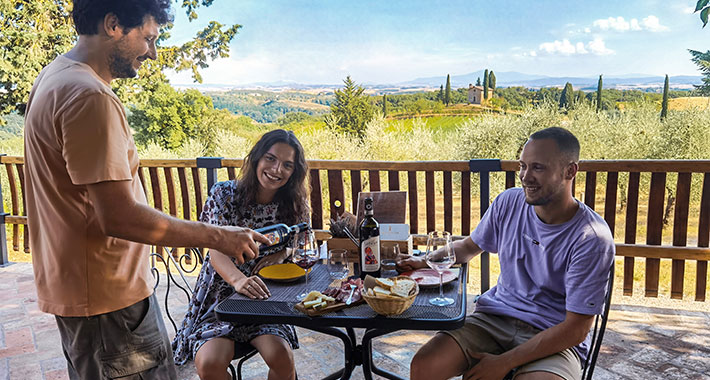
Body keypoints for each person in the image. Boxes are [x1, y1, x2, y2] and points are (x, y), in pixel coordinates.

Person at [23, 1, 269, 379]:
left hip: (78, 293)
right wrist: (218, 236)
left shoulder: (54, 76)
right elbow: (118, 215)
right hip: (110, 302)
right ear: (113, 25)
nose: (152, 53)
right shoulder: (91, 96)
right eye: (149, 38)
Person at [402, 127, 615, 380]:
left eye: (538, 168)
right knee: (424, 365)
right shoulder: (509, 202)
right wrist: (424, 260)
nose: (525, 176)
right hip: (494, 319)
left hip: (554, 337)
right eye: (522, 166)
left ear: (570, 171)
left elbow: (576, 329)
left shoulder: (591, 238)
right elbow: (469, 247)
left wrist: (503, 363)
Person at [172, 129, 309, 380]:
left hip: (265, 296)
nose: (277, 169)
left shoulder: (294, 202)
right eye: (270, 159)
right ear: (257, 158)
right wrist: (238, 281)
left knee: (282, 357)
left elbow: (296, 243)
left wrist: (279, 257)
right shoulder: (224, 194)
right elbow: (215, 248)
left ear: (294, 172)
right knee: (210, 363)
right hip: (221, 296)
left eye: (287, 165)